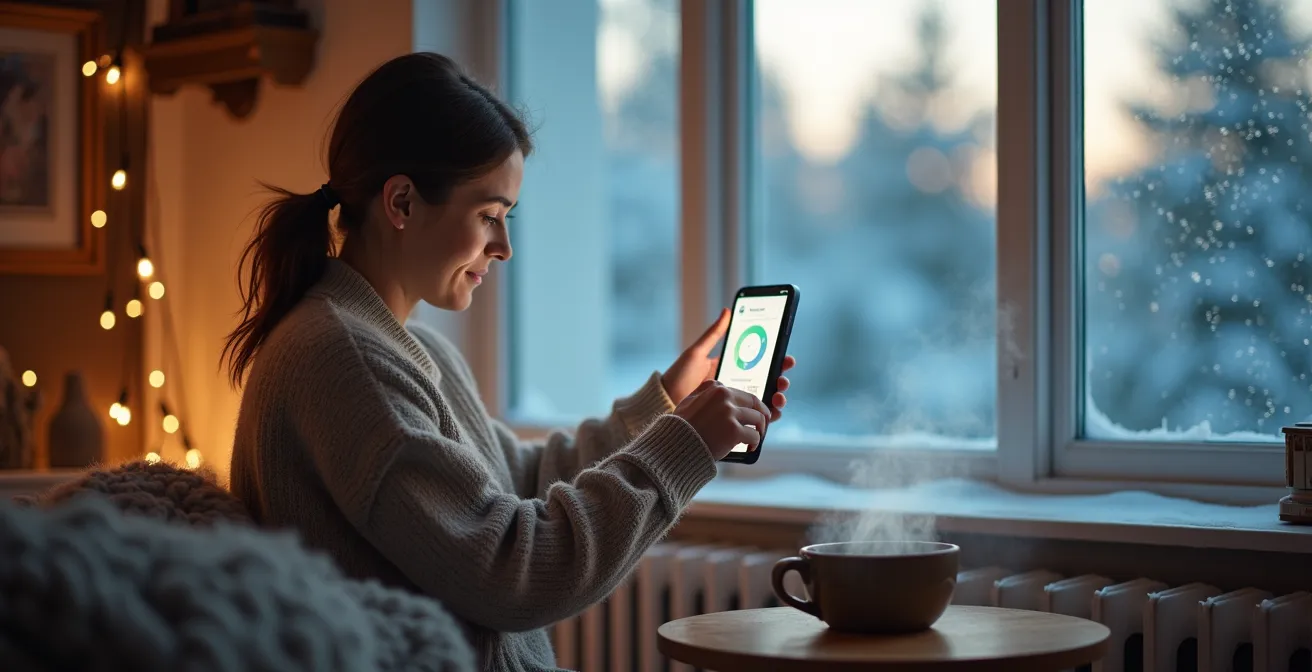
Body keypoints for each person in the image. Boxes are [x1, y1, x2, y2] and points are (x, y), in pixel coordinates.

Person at [225, 52, 795, 672]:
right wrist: (680, 448)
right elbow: (510, 568)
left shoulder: (405, 346)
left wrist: (666, 409)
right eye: (489, 216)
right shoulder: (342, 358)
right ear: (402, 203)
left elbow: (515, 480)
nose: (505, 247)